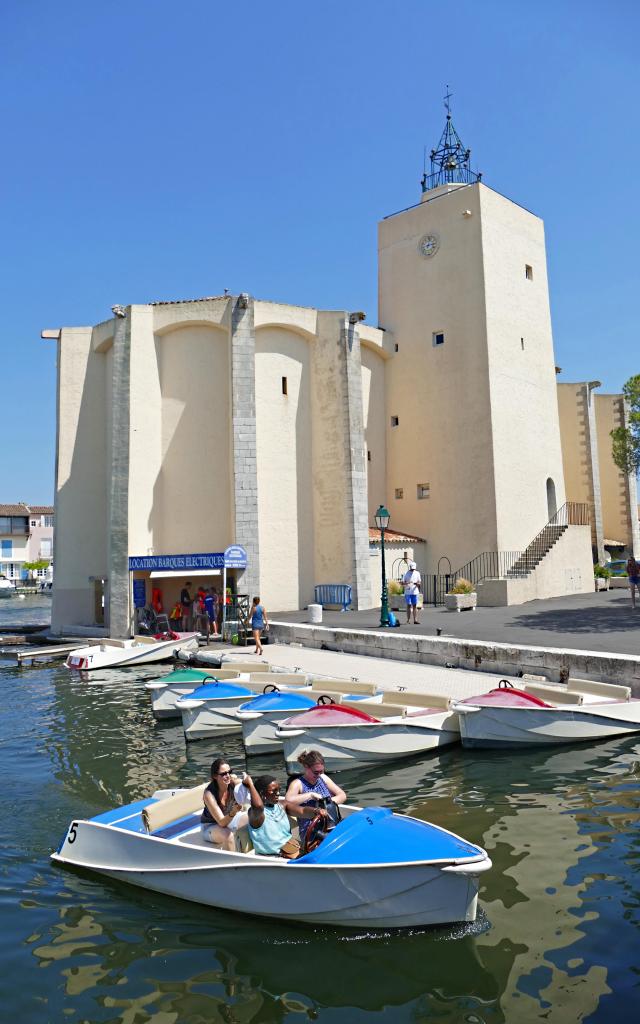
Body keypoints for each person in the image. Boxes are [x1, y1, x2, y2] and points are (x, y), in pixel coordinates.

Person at [285, 750, 346, 849]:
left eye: (321, 771)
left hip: (330, 826)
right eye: (315, 772)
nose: (318, 775)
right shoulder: (298, 784)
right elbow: (287, 801)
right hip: (311, 832)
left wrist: (325, 803)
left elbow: (342, 795)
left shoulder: (323, 778)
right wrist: (310, 795)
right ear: (306, 767)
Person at [201, 757, 263, 852]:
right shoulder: (209, 794)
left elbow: (254, 797)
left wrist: (249, 784)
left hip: (230, 818)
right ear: (215, 776)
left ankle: (264, 850)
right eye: (223, 774)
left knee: (257, 817)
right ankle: (234, 864)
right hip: (211, 826)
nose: (228, 776)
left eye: (229, 772)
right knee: (228, 835)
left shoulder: (234, 783)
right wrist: (233, 813)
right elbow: (221, 823)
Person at [248, 775, 301, 858]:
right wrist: (250, 785)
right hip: (271, 860)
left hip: (290, 850)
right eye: (274, 791)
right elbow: (258, 806)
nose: (278, 793)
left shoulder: (282, 805)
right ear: (262, 793)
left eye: (279, 790)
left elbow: (303, 811)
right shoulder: (256, 814)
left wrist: (316, 811)